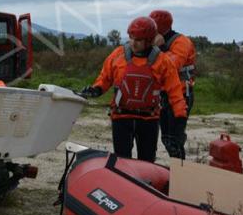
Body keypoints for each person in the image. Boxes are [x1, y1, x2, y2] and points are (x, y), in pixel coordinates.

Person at [81, 16, 187, 162]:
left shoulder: (162, 61)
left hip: (149, 119)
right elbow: (105, 78)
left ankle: (144, 184)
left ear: (149, 40)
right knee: (122, 161)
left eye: (138, 40)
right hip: (121, 118)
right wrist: (96, 89)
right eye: (131, 38)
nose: (133, 43)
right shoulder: (118, 55)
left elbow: (175, 91)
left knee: (147, 161)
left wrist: (180, 117)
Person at [149, 10, 196, 159]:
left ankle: (181, 175)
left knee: (173, 141)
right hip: (161, 95)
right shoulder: (151, 42)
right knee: (165, 139)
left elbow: (172, 65)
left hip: (181, 95)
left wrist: (160, 49)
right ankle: (177, 173)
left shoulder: (182, 42)